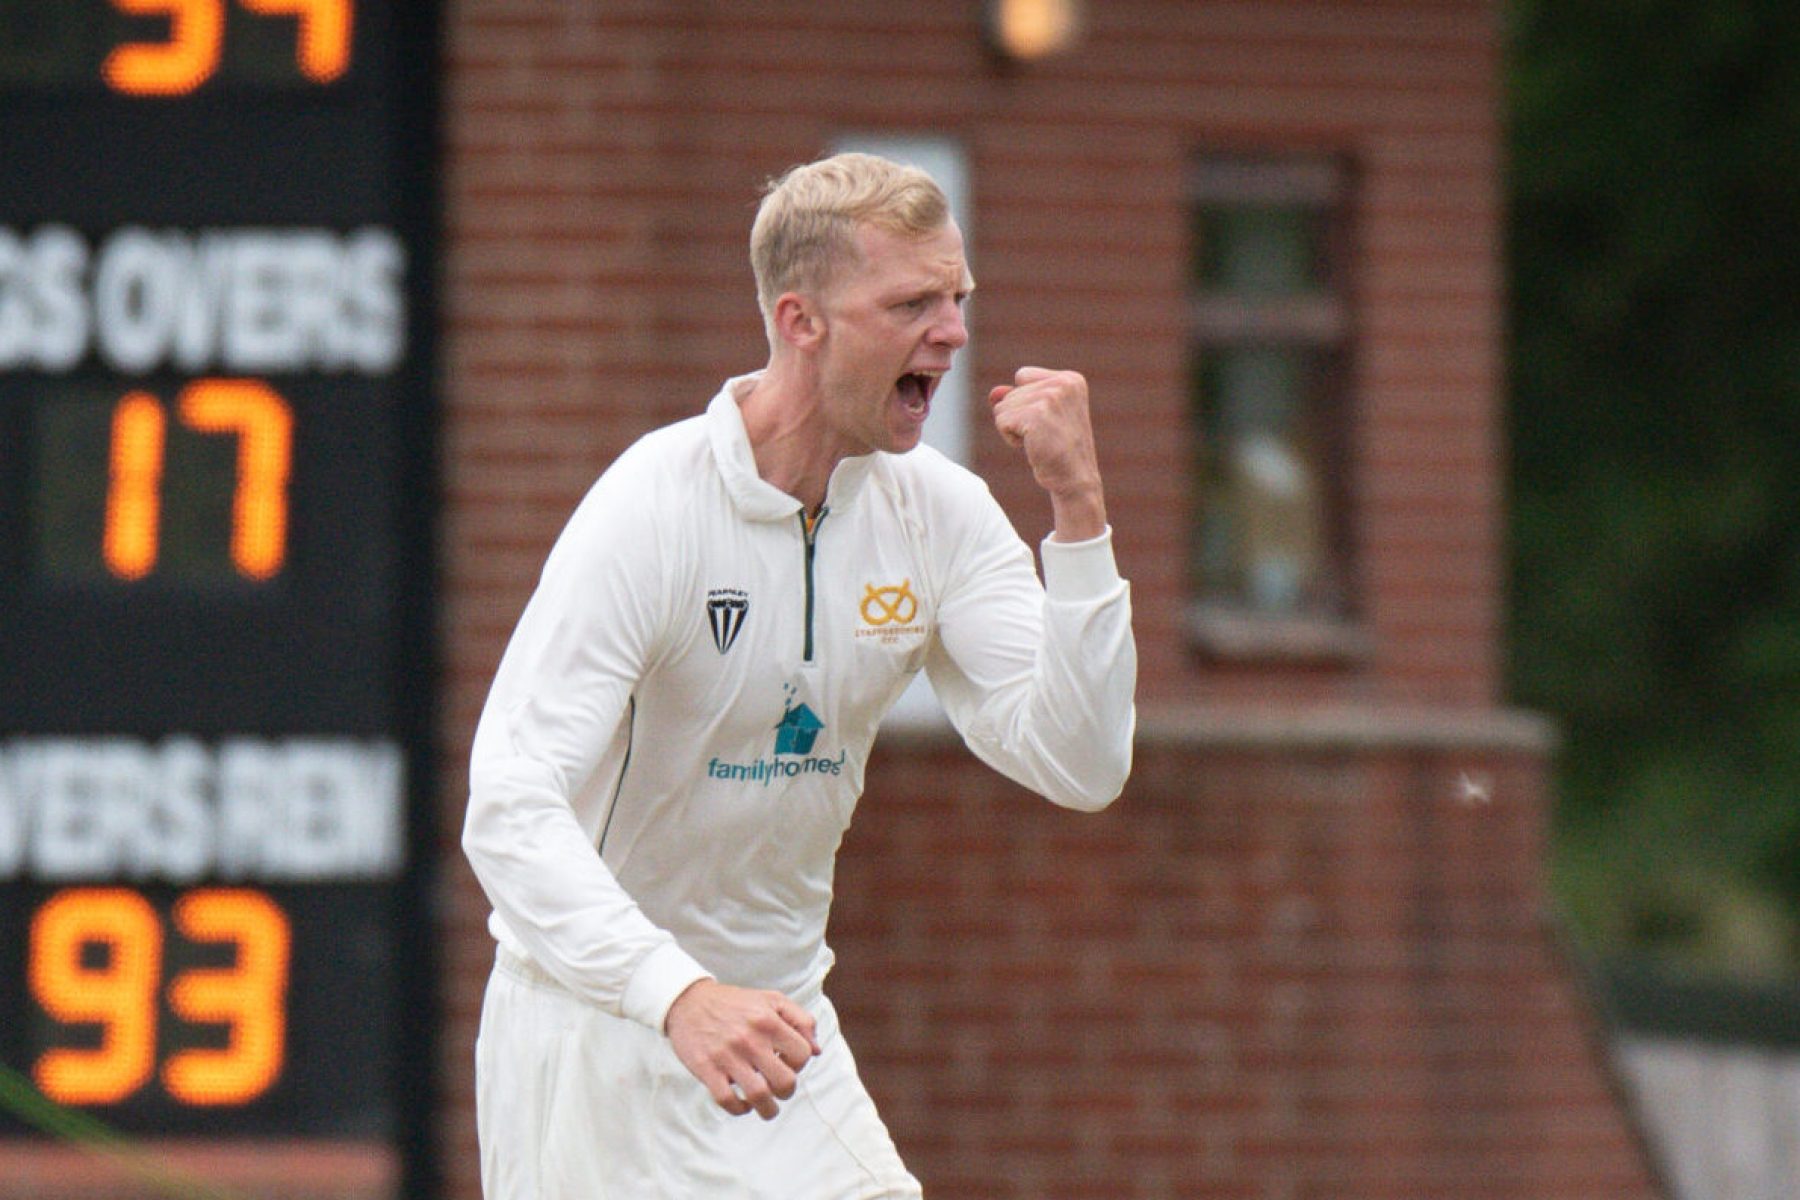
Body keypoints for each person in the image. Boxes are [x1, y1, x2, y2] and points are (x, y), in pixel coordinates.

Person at [463, 151, 1137, 1199]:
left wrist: (1080, 512)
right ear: (801, 321)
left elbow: (1083, 761)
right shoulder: (652, 504)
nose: (954, 332)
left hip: (782, 1039)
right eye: (913, 301)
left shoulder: (939, 514)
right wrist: (677, 994)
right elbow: (506, 806)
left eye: (958, 298)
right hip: (594, 1039)